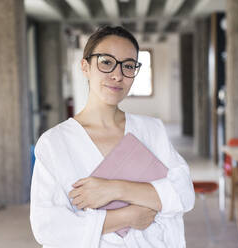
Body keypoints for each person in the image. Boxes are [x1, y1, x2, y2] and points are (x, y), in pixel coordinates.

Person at [30, 26, 195, 248]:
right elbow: (47, 227)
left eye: (128, 66)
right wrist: (128, 216)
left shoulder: (151, 130)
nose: (118, 75)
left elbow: (184, 193)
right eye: (106, 62)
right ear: (85, 66)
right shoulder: (54, 143)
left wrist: (114, 189)